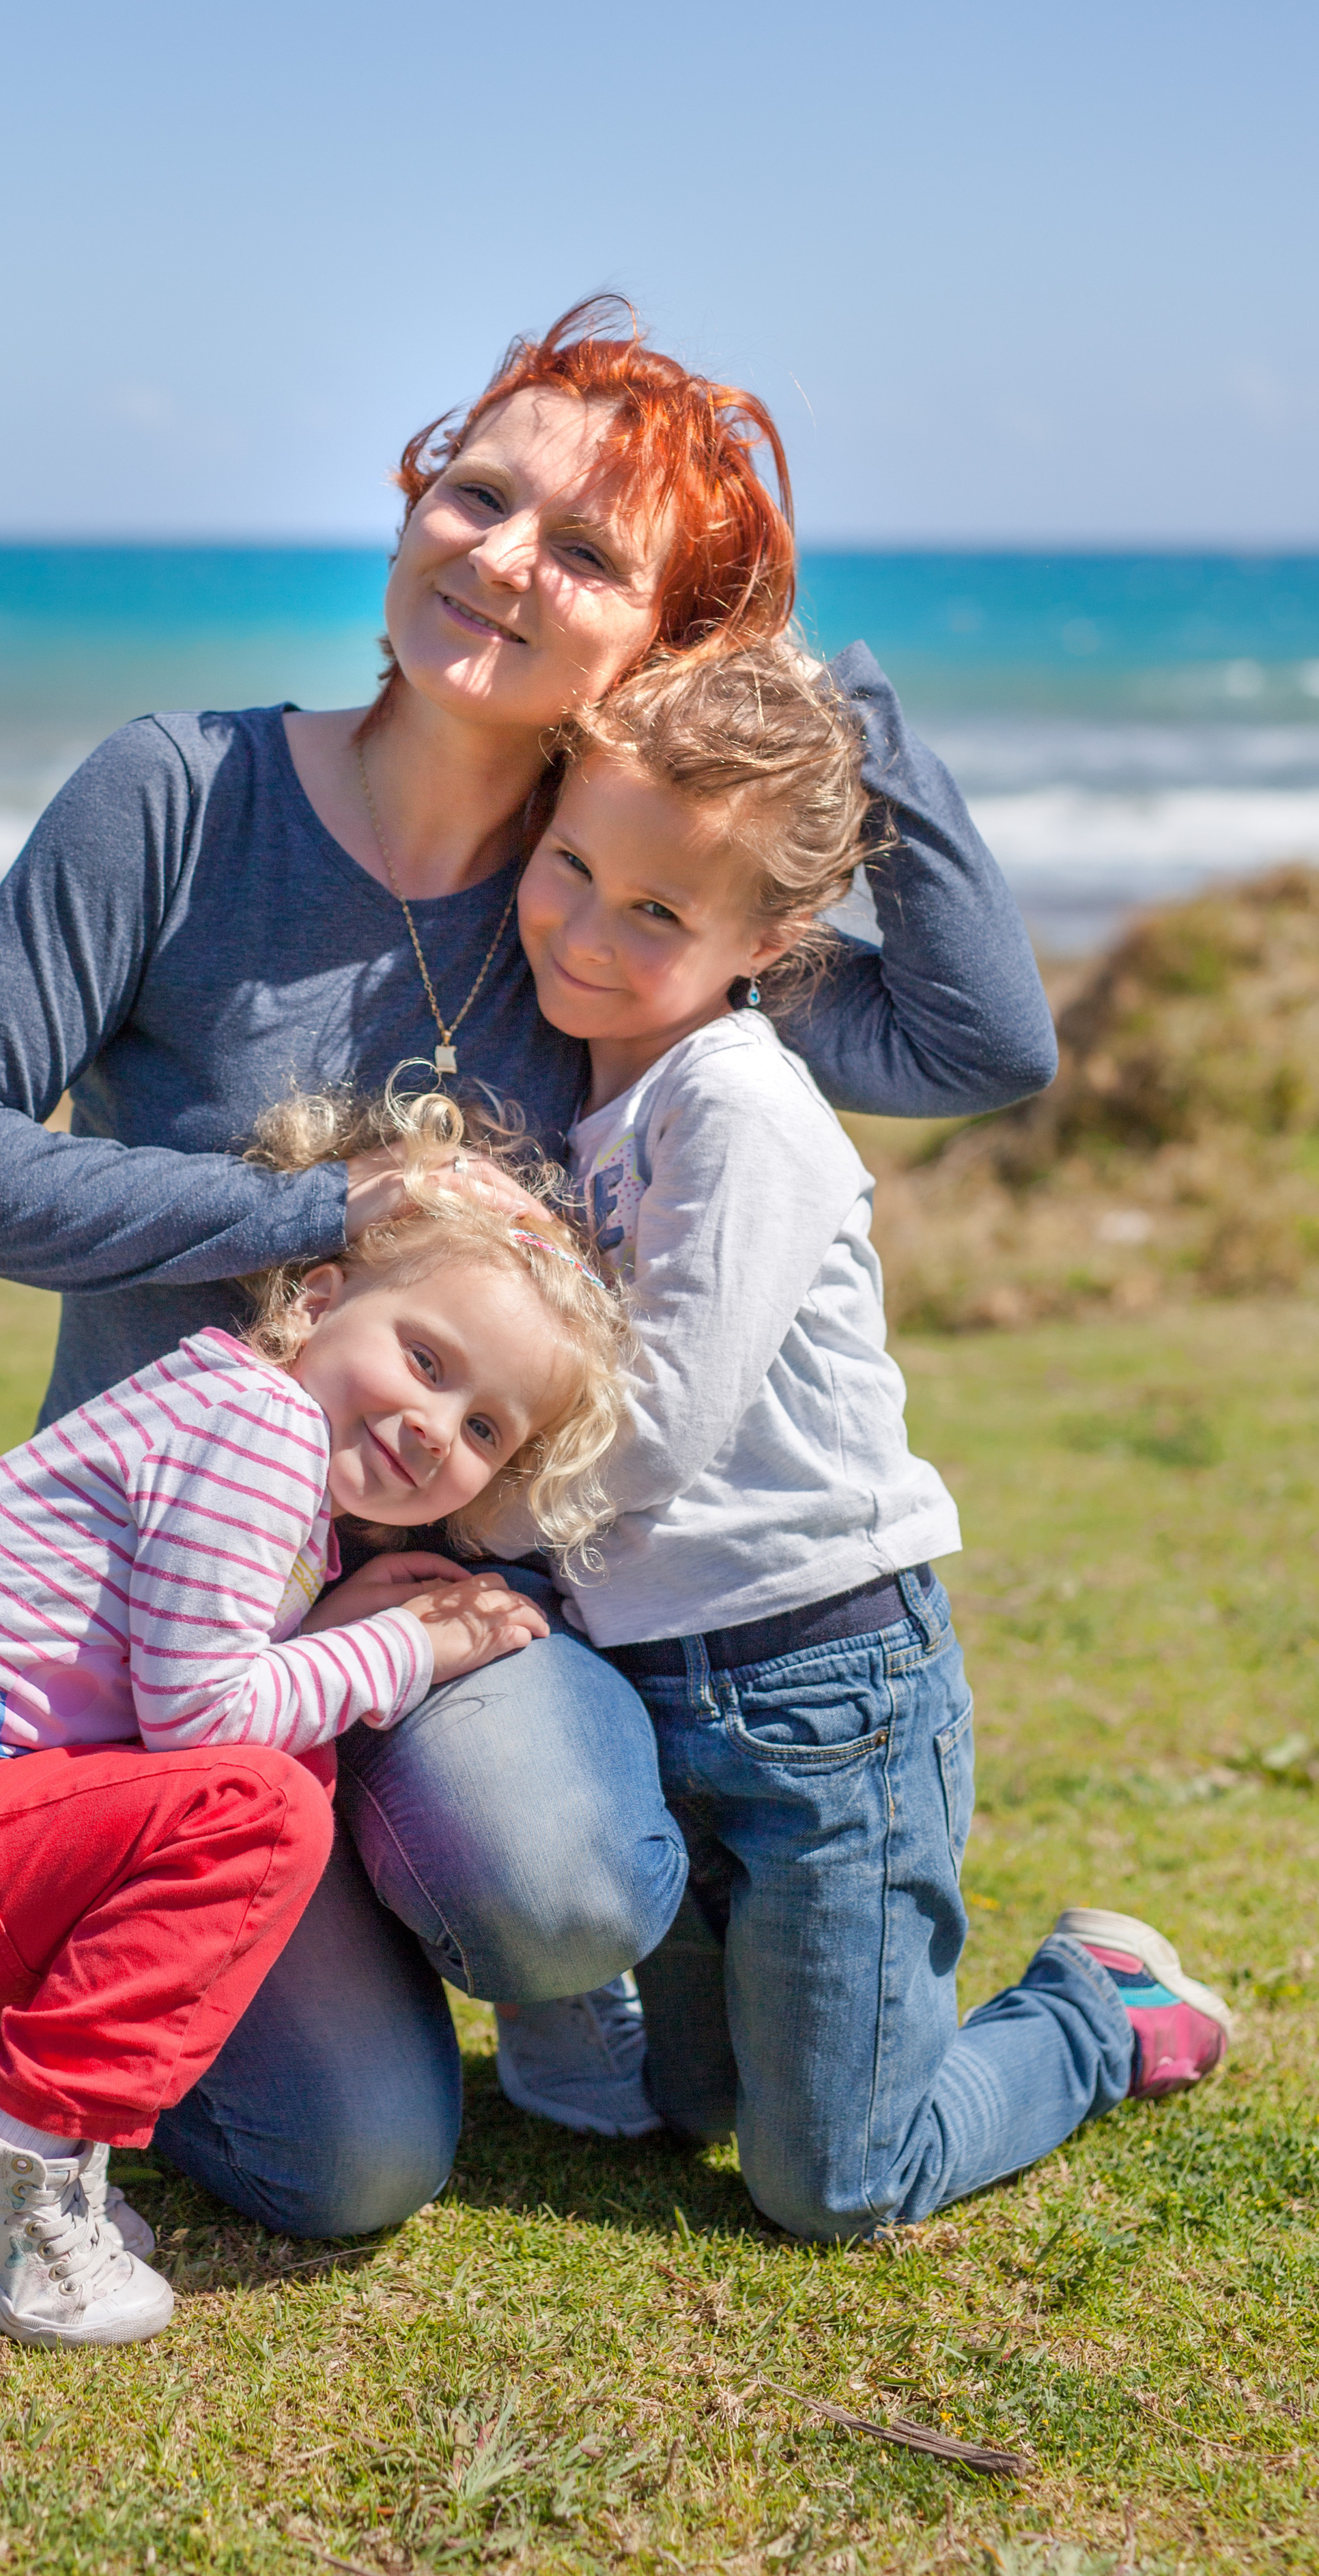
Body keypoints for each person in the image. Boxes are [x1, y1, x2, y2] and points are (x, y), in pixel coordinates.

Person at [0, 298, 1062, 2236]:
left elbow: (980, 1042)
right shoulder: (181, 796)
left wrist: (826, 696)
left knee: (558, 1880)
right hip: (153, 1627)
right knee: (353, 2165)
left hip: (438, 1625)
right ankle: (43, 1911)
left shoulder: (615, 911)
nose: (499, 557)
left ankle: (284, 1909)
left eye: (584, 551)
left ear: (660, 636)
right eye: (475, 495)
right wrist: (316, 1212)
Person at [498, 638, 1232, 2236]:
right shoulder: (586, 1094)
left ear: (768, 944)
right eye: (571, 863)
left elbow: (660, 1419)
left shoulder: (736, 1103)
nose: (587, 930)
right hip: (654, 1681)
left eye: (658, 912)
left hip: (822, 1686)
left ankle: (1097, 2005)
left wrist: (471, 1537)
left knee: (836, 2178)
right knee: (692, 2101)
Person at [0, 1112, 627, 2341]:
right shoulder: (260, 1429)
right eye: (427, 1359)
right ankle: (4, 2157)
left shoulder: (245, 1429)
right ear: (318, 1298)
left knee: (280, 1773)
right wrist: (408, 1647)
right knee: (265, 1806)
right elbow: (203, 1718)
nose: (440, 1425)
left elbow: (167, 1676)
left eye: (487, 1428)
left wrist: (329, 1620)